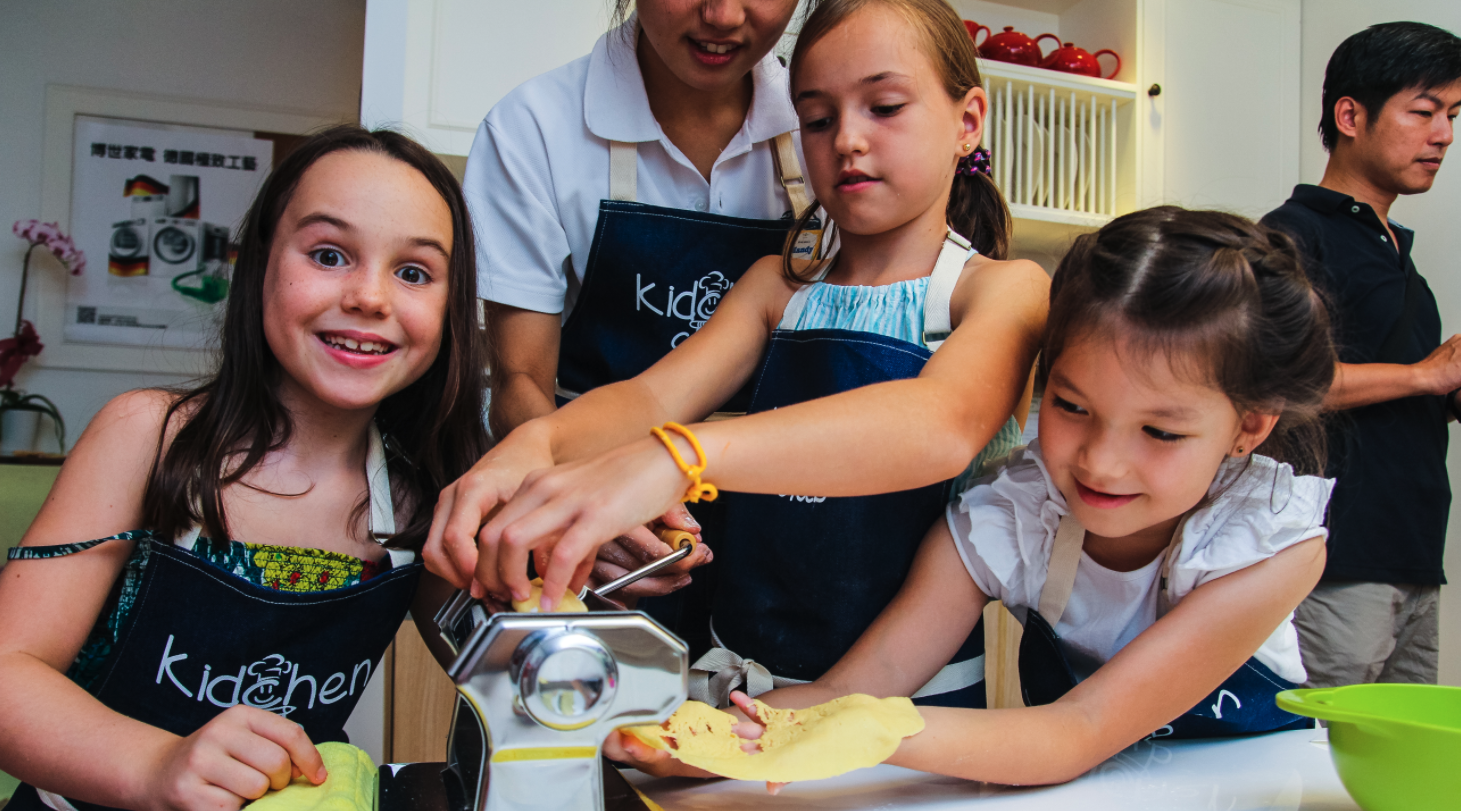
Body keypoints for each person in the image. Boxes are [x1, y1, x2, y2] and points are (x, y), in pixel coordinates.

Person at [428, 0, 1047, 709]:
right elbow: (651, 399)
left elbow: (938, 424)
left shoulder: (1004, 291)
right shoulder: (775, 286)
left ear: (968, 122)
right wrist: (535, 444)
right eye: (817, 119)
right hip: (740, 692)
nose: (847, 140)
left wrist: (675, 457)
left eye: (884, 107)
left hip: (909, 714)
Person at [610, 206, 1338, 786]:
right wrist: (701, 743)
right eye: (1071, 406)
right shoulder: (1015, 514)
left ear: (1248, 427)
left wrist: (876, 731)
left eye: (1160, 431)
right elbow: (860, 686)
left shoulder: (1270, 543)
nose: (1101, 462)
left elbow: (1078, 729)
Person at [0, 126, 489, 811]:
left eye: (413, 272)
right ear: (259, 264)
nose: (370, 297)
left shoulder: (419, 503)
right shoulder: (150, 437)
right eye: (328, 254)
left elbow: (516, 672)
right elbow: (9, 672)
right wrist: (155, 764)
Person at [462, 0, 809, 607]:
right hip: (589, 527)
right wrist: (578, 502)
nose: (723, 15)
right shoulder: (534, 127)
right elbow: (521, 378)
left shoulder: (826, 124)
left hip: (786, 537)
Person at [1260, 22, 1461, 688]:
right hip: (1334, 559)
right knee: (1318, 746)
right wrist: (1425, 373)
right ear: (1350, 116)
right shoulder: (1291, 234)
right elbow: (1278, 386)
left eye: (1453, 115)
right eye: (1424, 112)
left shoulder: (1400, 256)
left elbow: (1400, 393)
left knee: (1401, 752)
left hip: (1415, 557)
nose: (1443, 135)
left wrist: (1445, 391)